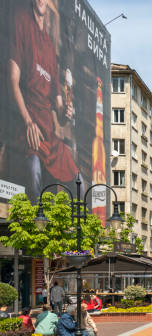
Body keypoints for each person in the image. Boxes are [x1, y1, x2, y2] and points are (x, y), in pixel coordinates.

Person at [8, 0, 78, 197]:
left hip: (49, 136)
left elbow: (58, 106)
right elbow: (12, 81)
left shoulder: (49, 45)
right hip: (28, 128)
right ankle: (34, 223)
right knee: (34, 170)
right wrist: (28, 121)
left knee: (77, 181)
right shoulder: (22, 22)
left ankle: (72, 225)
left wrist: (66, 113)